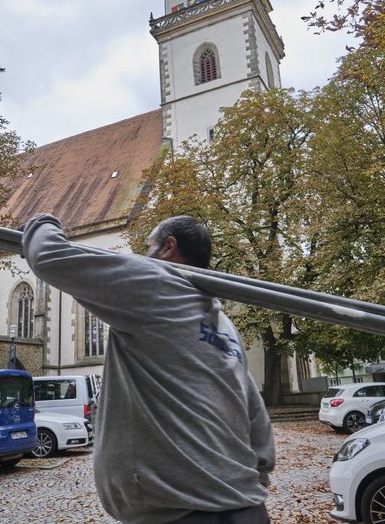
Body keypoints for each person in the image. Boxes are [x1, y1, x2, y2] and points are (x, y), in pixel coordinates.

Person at [22, 213, 275, 524]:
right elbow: (255, 415)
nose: (145, 254)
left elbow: (49, 257)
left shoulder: (155, 285)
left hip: (181, 512)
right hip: (245, 508)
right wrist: (257, 478)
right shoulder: (223, 327)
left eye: (149, 245)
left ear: (168, 247)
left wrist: (43, 222)